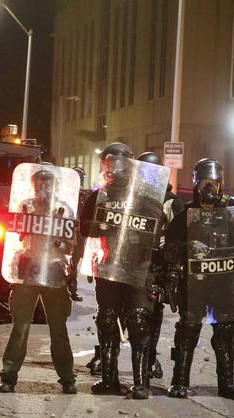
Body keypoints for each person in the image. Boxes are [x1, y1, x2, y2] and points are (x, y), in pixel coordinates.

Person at [80, 143, 167, 399]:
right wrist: (99, 225)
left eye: (120, 165)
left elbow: (157, 225)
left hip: (138, 268)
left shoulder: (144, 196)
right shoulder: (99, 196)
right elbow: (83, 227)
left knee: (138, 321)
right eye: (110, 164)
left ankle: (141, 382)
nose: (115, 170)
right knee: (106, 320)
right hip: (108, 266)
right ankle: (109, 380)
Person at [164, 158, 234, 400]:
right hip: (194, 284)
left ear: (221, 186)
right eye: (205, 183)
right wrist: (187, 246)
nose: (209, 189)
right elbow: (169, 248)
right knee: (188, 331)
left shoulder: (230, 215)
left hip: (222, 284)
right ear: (196, 185)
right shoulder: (186, 214)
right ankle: (179, 382)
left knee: (225, 332)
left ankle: (226, 384)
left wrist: (229, 249)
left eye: (214, 183)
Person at [0, 164, 79, 394]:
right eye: (39, 183)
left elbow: (71, 244)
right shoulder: (25, 206)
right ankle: (9, 376)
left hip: (54, 269)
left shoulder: (64, 210)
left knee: (58, 327)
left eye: (47, 182)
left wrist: (59, 243)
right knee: (20, 326)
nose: (43, 187)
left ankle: (67, 377)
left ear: (55, 186)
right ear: (33, 186)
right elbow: (13, 236)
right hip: (29, 268)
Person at [137, 152, 184, 380]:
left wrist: (173, 269)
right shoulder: (130, 196)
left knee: (153, 315)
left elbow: (179, 238)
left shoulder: (171, 202)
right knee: (127, 315)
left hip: (157, 266)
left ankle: (150, 359)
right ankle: (110, 365)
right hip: (131, 263)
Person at [67, 166, 90, 302]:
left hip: (79, 233)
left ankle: (72, 290)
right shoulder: (65, 193)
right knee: (66, 261)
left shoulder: (85, 195)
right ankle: (68, 289)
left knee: (73, 263)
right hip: (68, 231)